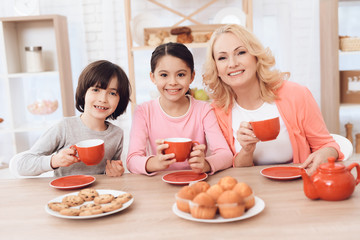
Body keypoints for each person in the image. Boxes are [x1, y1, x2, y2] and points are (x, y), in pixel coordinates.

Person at [202, 24, 343, 175]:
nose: (232, 63)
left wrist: (324, 154)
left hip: (297, 186)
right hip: (252, 190)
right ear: (216, 69)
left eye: (241, 52)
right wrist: (247, 150)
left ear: (256, 57)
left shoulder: (296, 94)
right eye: (222, 58)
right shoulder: (218, 111)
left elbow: (328, 145)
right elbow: (235, 168)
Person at [126, 42, 233, 175]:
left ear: (192, 76)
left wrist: (205, 164)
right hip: (159, 186)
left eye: (181, 75)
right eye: (164, 75)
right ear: (153, 77)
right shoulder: (143, 111)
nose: (172, 82)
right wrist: (156, 163)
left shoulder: (203, 110)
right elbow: (132, 160)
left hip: (196, 183)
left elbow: (226, 155)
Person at [12, 60, 131, 177]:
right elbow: (22, 164)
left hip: (99, 194)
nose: (103, 99)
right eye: (96, 90)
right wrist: (54, 161)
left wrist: (114, 172)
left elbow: (108, 172)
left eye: (112, 93)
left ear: (120, 100)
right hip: (65, 195)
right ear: (84, 93)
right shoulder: (65, 127)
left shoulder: (117, 134)